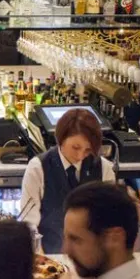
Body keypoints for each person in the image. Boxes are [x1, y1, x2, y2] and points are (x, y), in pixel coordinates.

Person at [19, 107, 115, 254]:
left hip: (91, 261)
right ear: (61, 139)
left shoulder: (105, 169)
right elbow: (29, 224)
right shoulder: (38, 168)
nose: (81, 155)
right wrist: (43, 262)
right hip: (50, 258)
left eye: (88, 150)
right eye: (75, 147)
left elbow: (109, 221)